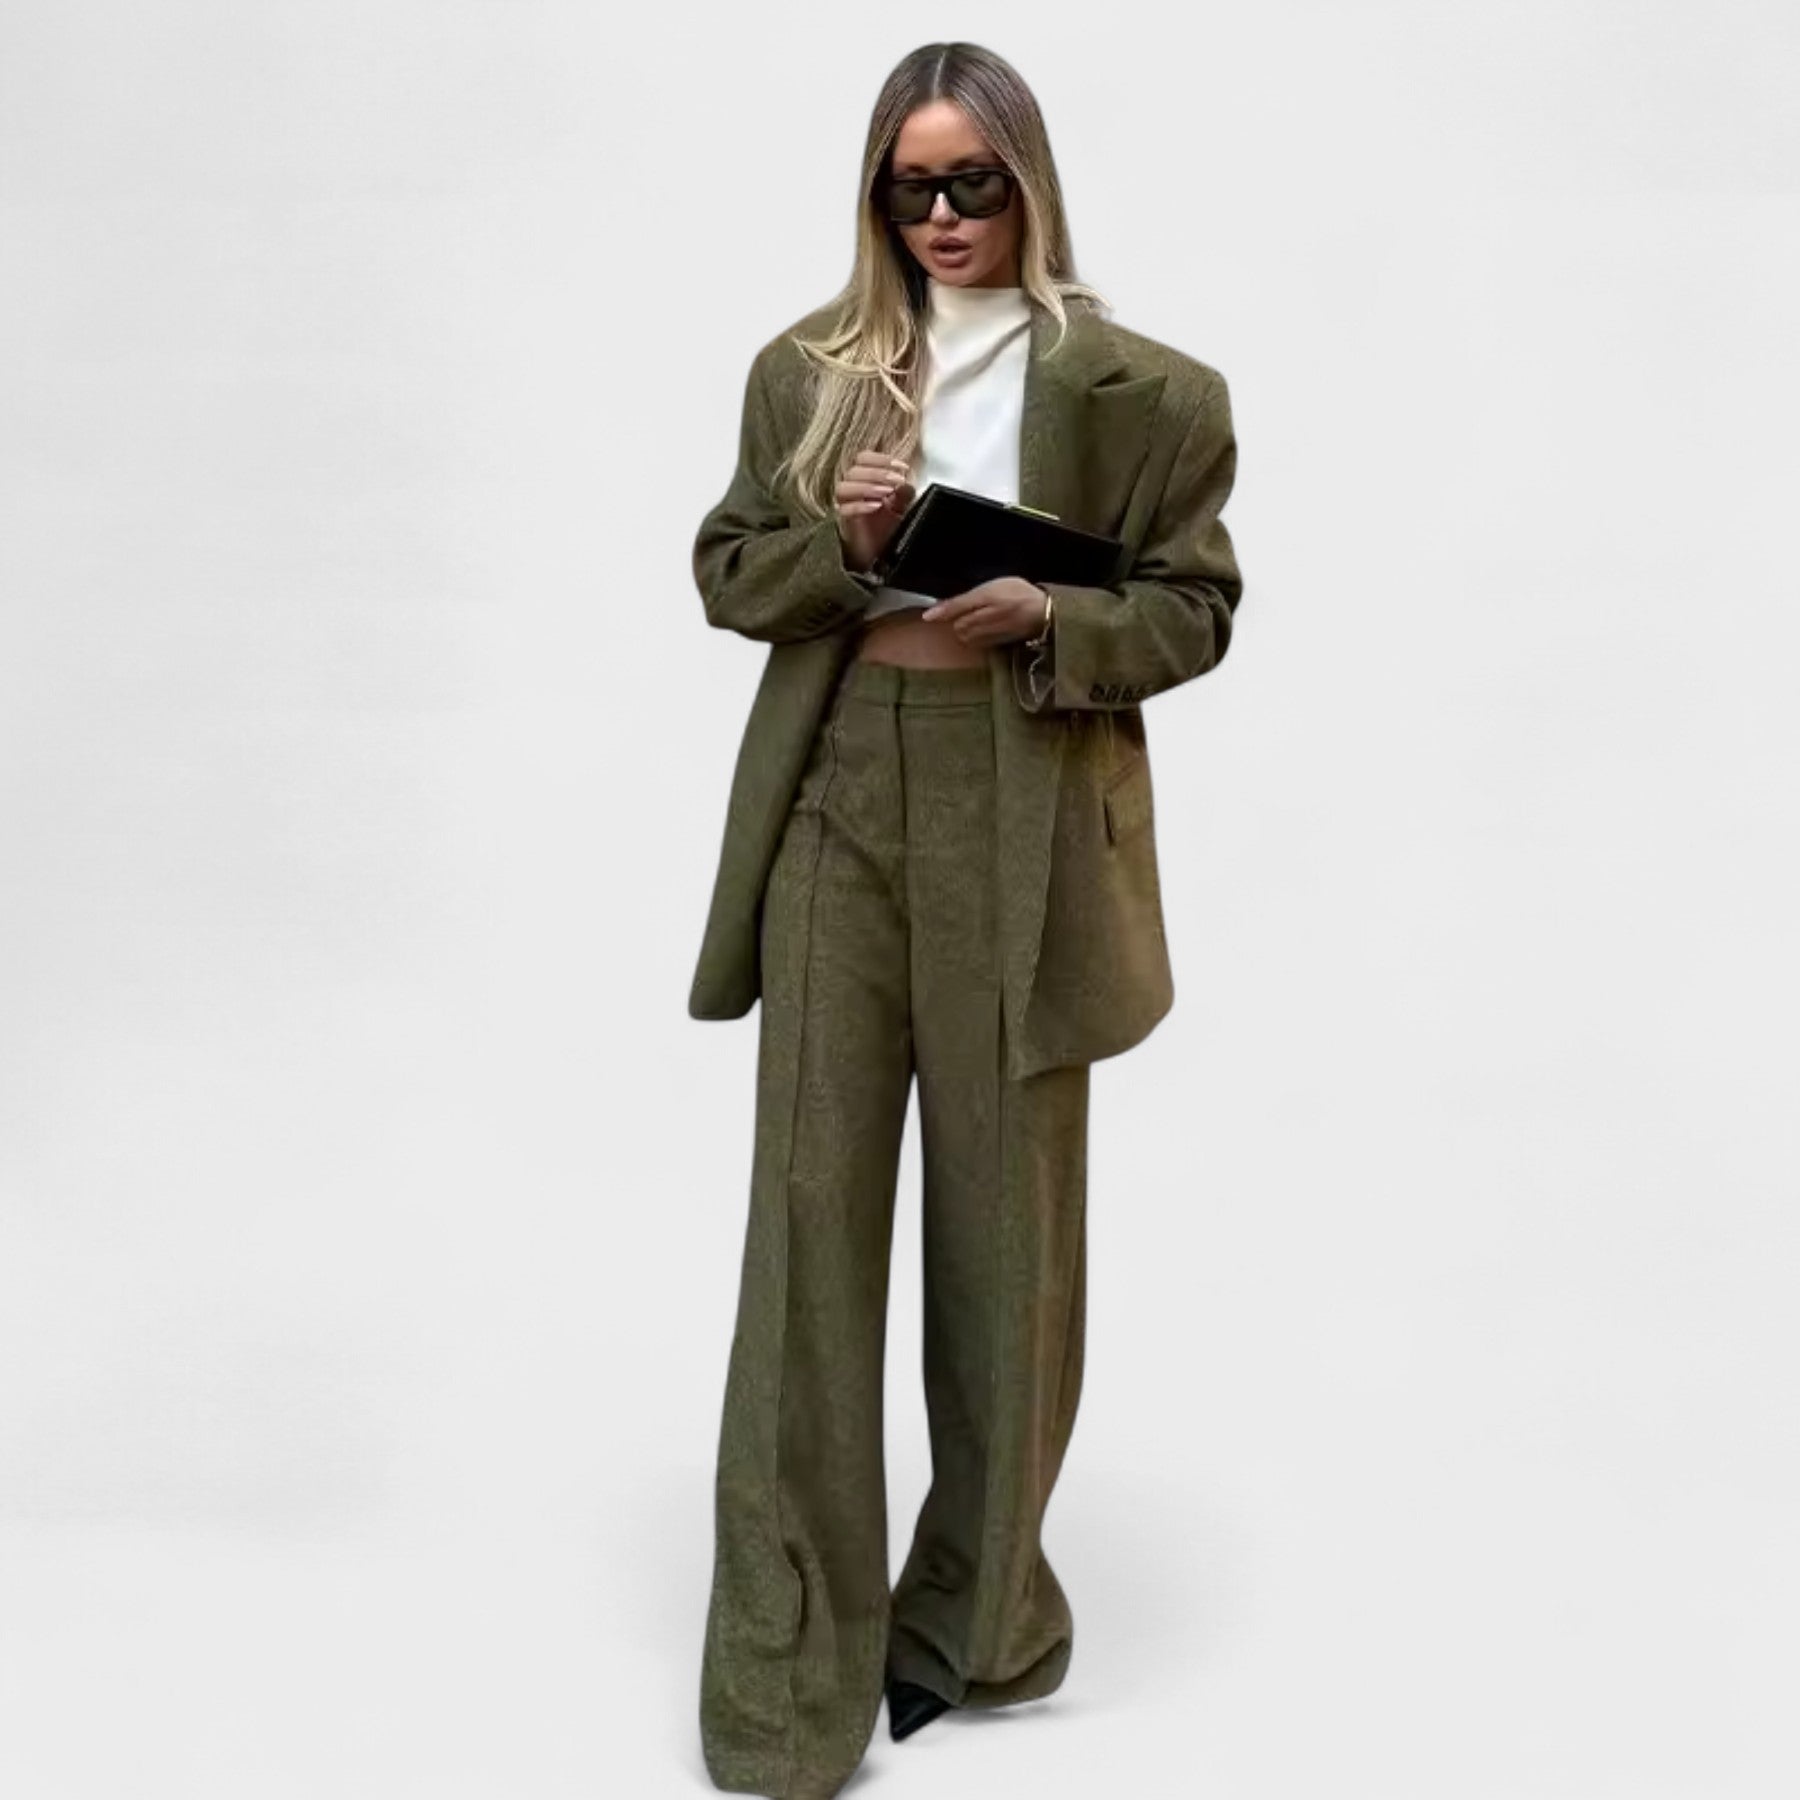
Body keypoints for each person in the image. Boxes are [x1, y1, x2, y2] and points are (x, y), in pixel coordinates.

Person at [687, 39, 1245, 1800]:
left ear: (1028, 179)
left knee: (1010, 1249)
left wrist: (1052, 619)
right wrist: (853, 553)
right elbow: (727, 573)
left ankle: (976, 1622)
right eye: (909, 185)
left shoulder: (1151, 392)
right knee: (809, 1227)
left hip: (1029, 806)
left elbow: (1196, 608)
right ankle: (788, 1677)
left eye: (972, 182)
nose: (939, 215)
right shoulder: (811, 371)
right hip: (842, 789)